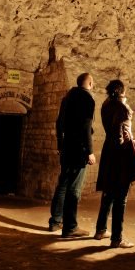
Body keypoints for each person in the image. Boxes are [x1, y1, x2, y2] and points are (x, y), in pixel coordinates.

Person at [48, 73, 96, 237]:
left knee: (63, 184)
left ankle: (55, 221)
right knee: (74, 189)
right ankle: (70, 227)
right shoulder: (87, 99)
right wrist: (90, 151)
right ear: (90, 83)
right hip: (79, 149)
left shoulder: (67, 97)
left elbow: (59, 122)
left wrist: (60, 144)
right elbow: (86, 127)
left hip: (67, 147)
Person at [94, 79, 135, 248]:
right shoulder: (121, 107)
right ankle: (117, 238)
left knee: (108, 192)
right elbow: (120, 133)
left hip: (107, 150)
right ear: (121, 91)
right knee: (120, 197)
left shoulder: (105, 104)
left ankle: (100, 230)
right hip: (119, 153)